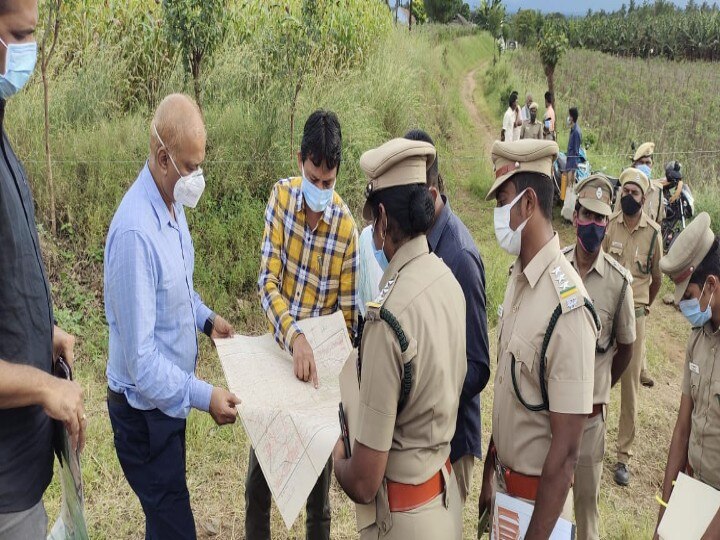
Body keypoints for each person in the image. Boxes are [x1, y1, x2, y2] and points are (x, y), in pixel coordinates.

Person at [104, 93, 240, 540]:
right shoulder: (134, 234)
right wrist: (205, 396)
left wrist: (205, 319)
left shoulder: (171, 204)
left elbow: (177, 290)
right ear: (163, 158)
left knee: (164, 521)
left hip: (164, 405)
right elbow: (142, 364)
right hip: (142, 415)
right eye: (190, 165)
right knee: (174, 526)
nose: (196, 176)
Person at [333, 137, 466, 539]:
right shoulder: (447, 280)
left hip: (402, 521)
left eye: (373, 220)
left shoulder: (385, 320)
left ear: (385, 220)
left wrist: (336, 451)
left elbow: (363, 482)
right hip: (445, 502)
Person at [478, 140, 598, 537]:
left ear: (528, 204)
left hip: (537, 514)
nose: (497, 214)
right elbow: (510, 394)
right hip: (506, 499)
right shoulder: (519, 280)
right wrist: (488, 477)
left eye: (504, 201)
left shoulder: (568, 308)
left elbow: (565, 457)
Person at [0, 1, 86, 537]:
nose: (30, 50)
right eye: (20, 34)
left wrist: (41, 333)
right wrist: (43, 387)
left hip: (23, 471)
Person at [255, 109, 358, 540]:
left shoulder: (348, 230)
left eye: (328, 183)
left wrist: (321, 356)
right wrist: (294, 337)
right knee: (257, 486)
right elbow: (267, 281)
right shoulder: (280, 198)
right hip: (280, 359)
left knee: (318, 500)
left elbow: (348, 321)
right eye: (313, 179)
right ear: (300, 160)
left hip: (319, 378)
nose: (320, 190)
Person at [405, 128, 490, 506]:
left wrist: (428, 392)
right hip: (425, 437)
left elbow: (478, 366)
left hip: (453, 441)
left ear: (432, 194)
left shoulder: (460, 257)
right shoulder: (418, 242)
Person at [564, 175, 636, 540]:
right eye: (588, 216)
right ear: (575, 216)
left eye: (601, 219)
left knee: (586, 513)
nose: (594, 226)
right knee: (553, 511)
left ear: (608, 224)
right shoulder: (556, 270)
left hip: (591, 422)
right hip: (554, 418)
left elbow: (625, 349)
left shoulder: (619, 283)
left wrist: (602, 382)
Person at [654, 212, 720, 539]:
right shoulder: (698, 337)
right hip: (694, 491)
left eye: (689, 297)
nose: (684, 308)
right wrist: (664, 514)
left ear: (711, 285)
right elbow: (682, 427)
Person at [602, 167, 663, 488]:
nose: (628, 197)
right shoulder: (609, 227)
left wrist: (644, 305)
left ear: (643, 198)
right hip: (607, 317)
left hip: (635, 318)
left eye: (634, 193)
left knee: (629, 389)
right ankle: (593, 443)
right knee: (600, 380)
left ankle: (623, 456)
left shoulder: (653, 234)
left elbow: (657, 279)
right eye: (624, 191)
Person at [566, 107, 582, 187]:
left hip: (572, 164)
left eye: (569, 115)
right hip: (569, 162)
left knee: (570, 187)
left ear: (572, 117)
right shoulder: (573, 130)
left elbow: (576, 151)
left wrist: (573, 170)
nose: (568, 118)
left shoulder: (576, 132)